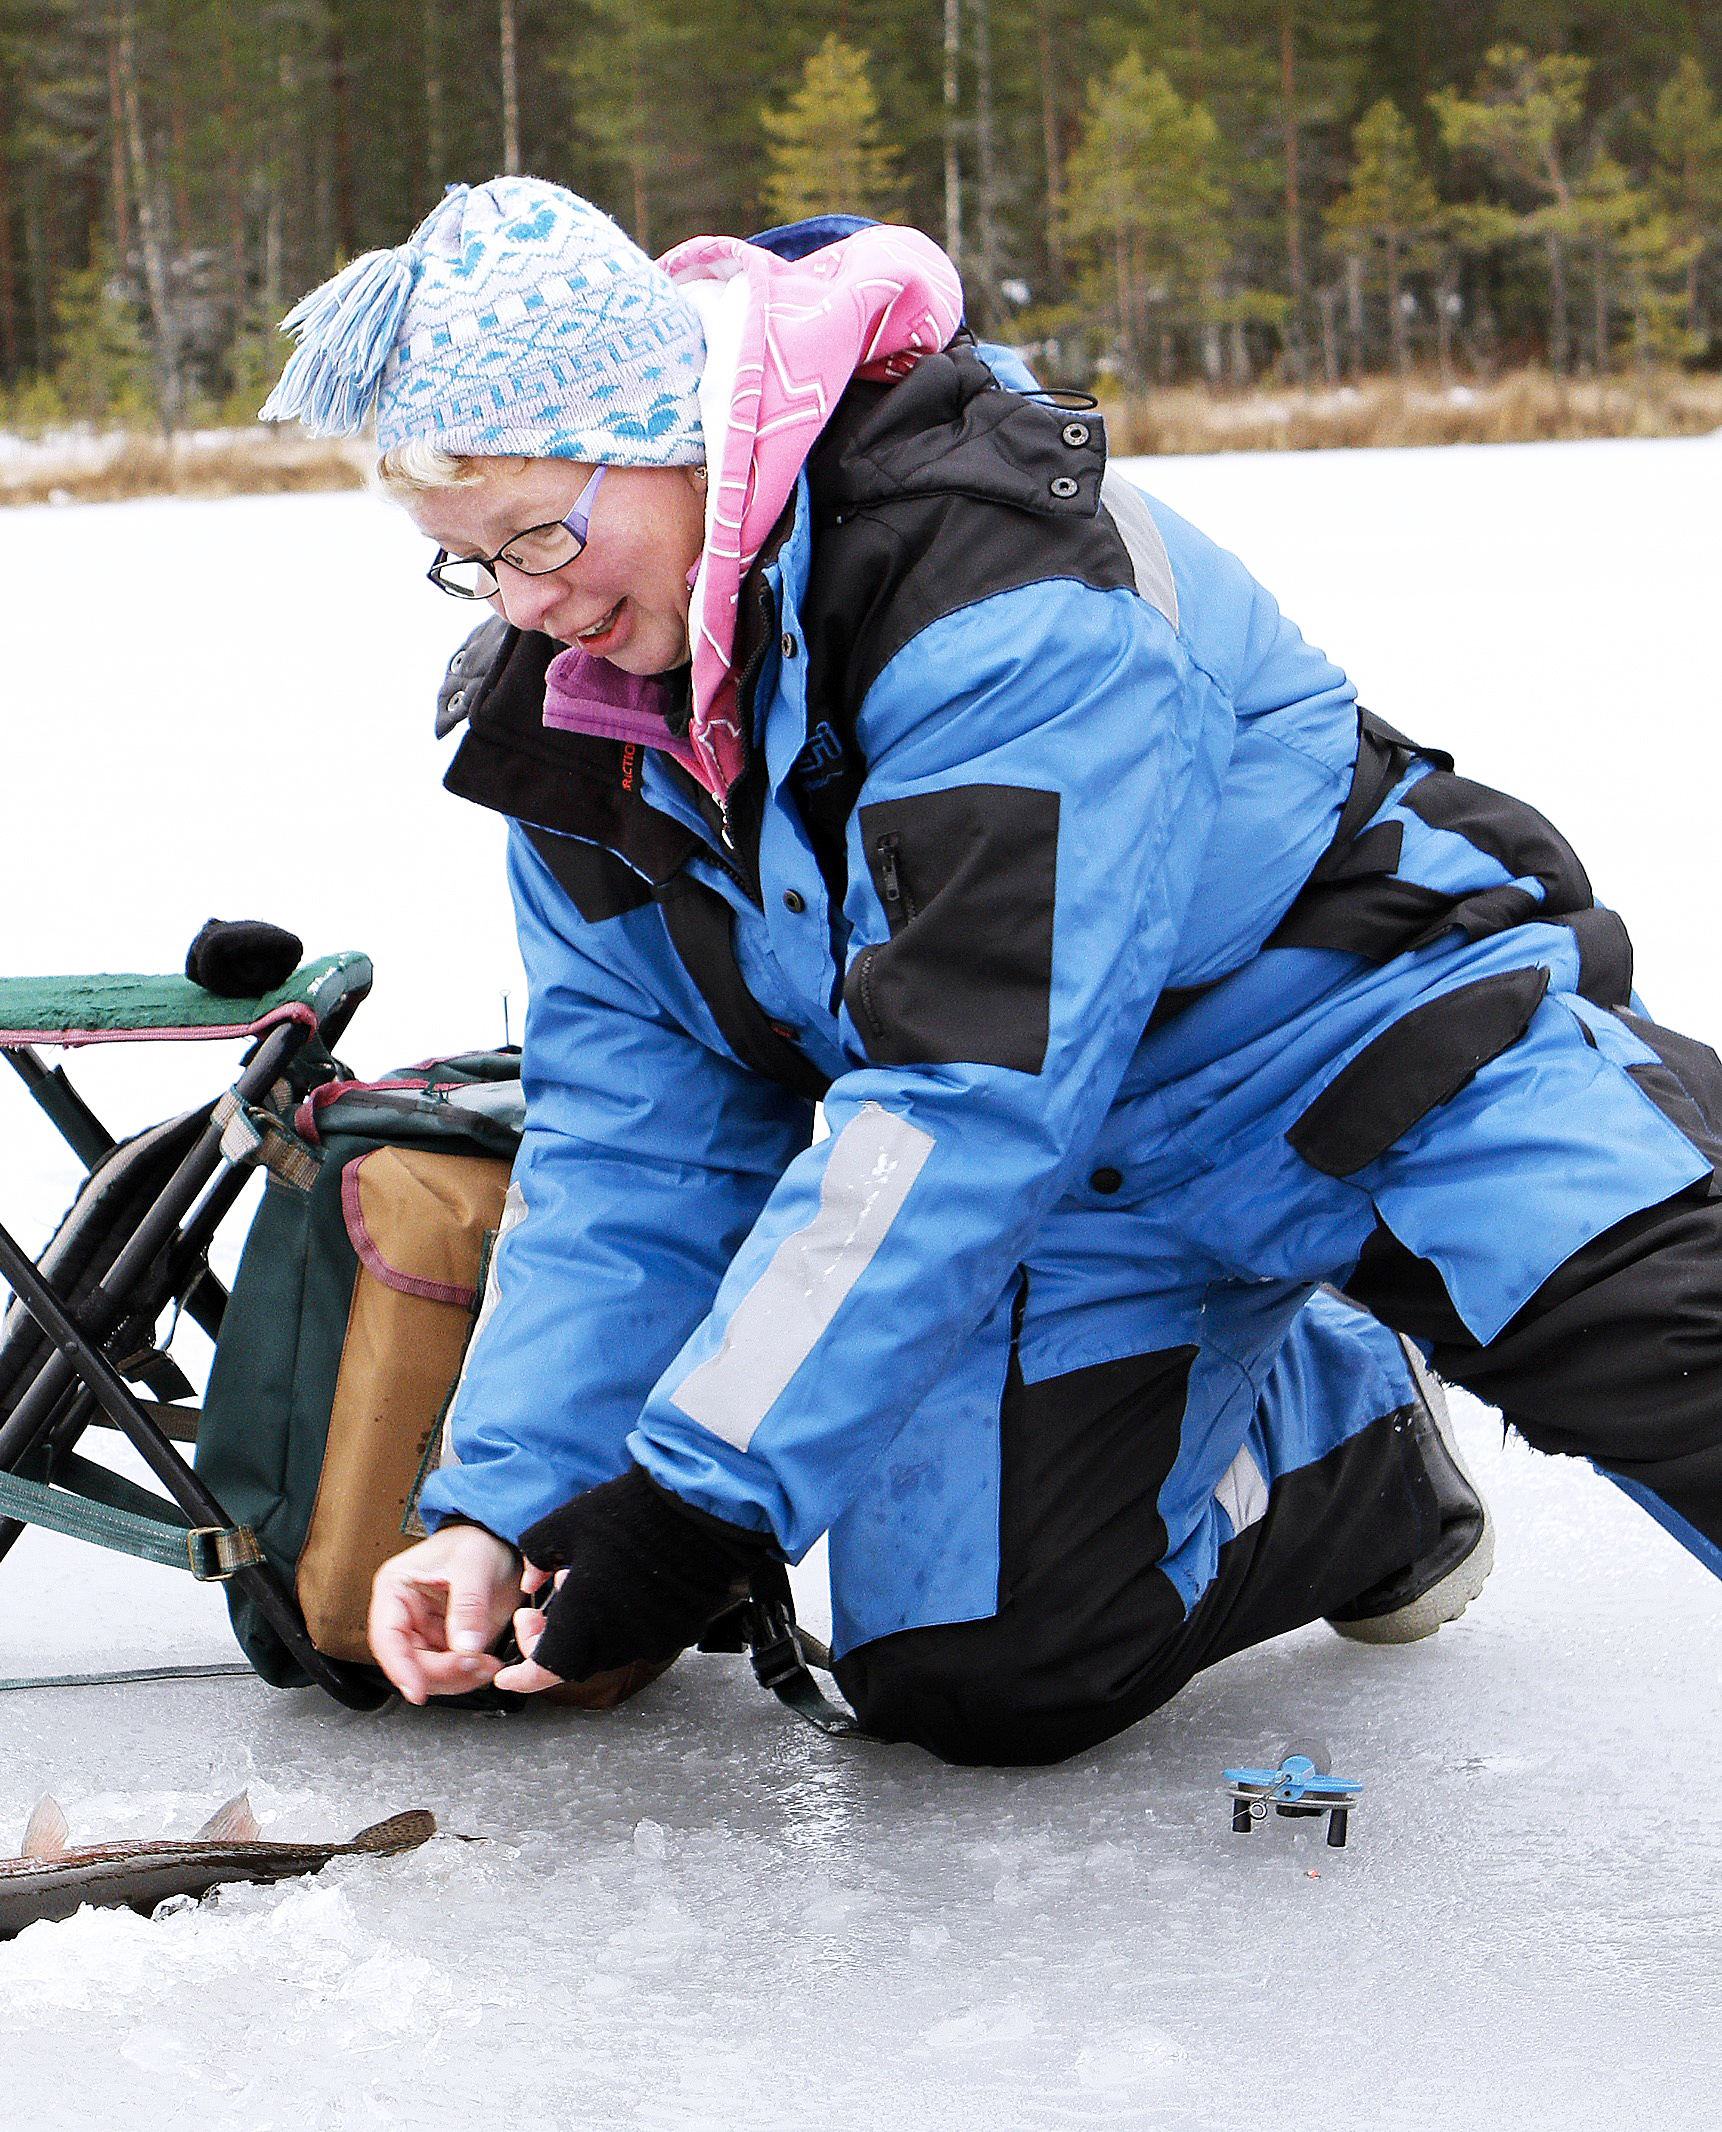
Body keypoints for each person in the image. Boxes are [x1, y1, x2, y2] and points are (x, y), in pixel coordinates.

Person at [258, 177, 1722, 1763]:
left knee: (1676, 1348)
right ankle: (1350, 1450)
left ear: (684, 440)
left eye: (542, 532)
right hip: (1069, 1190)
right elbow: (634, 1144)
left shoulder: (995, 585)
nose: (529, 605)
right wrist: (508, 1504)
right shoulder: (586, 731)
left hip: (1375, 1040)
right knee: (972, 1665)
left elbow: (962, 1086)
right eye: (470, 565)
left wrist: (695, 1504)